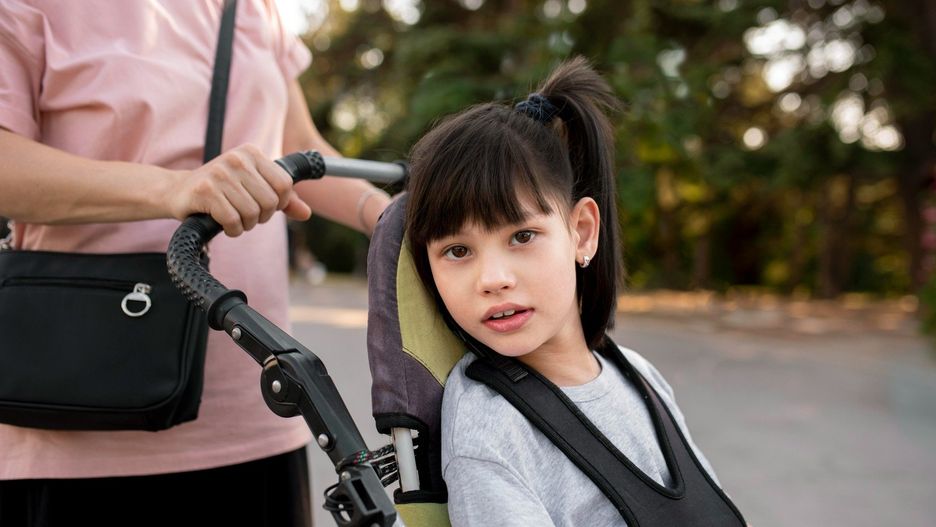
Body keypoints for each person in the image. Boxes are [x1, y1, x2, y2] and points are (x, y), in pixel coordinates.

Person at [0, 1, 390, 525]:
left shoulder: (252, 7)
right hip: (80, 425)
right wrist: (174, 186)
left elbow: (297, 147)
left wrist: (393, 219)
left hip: (260, 414)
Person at [404, 57, 747, 525]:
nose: (492, 279)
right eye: (458, 251)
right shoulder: (491, 429)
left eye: (521, 237)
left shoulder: (640, 376)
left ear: (581, 233)